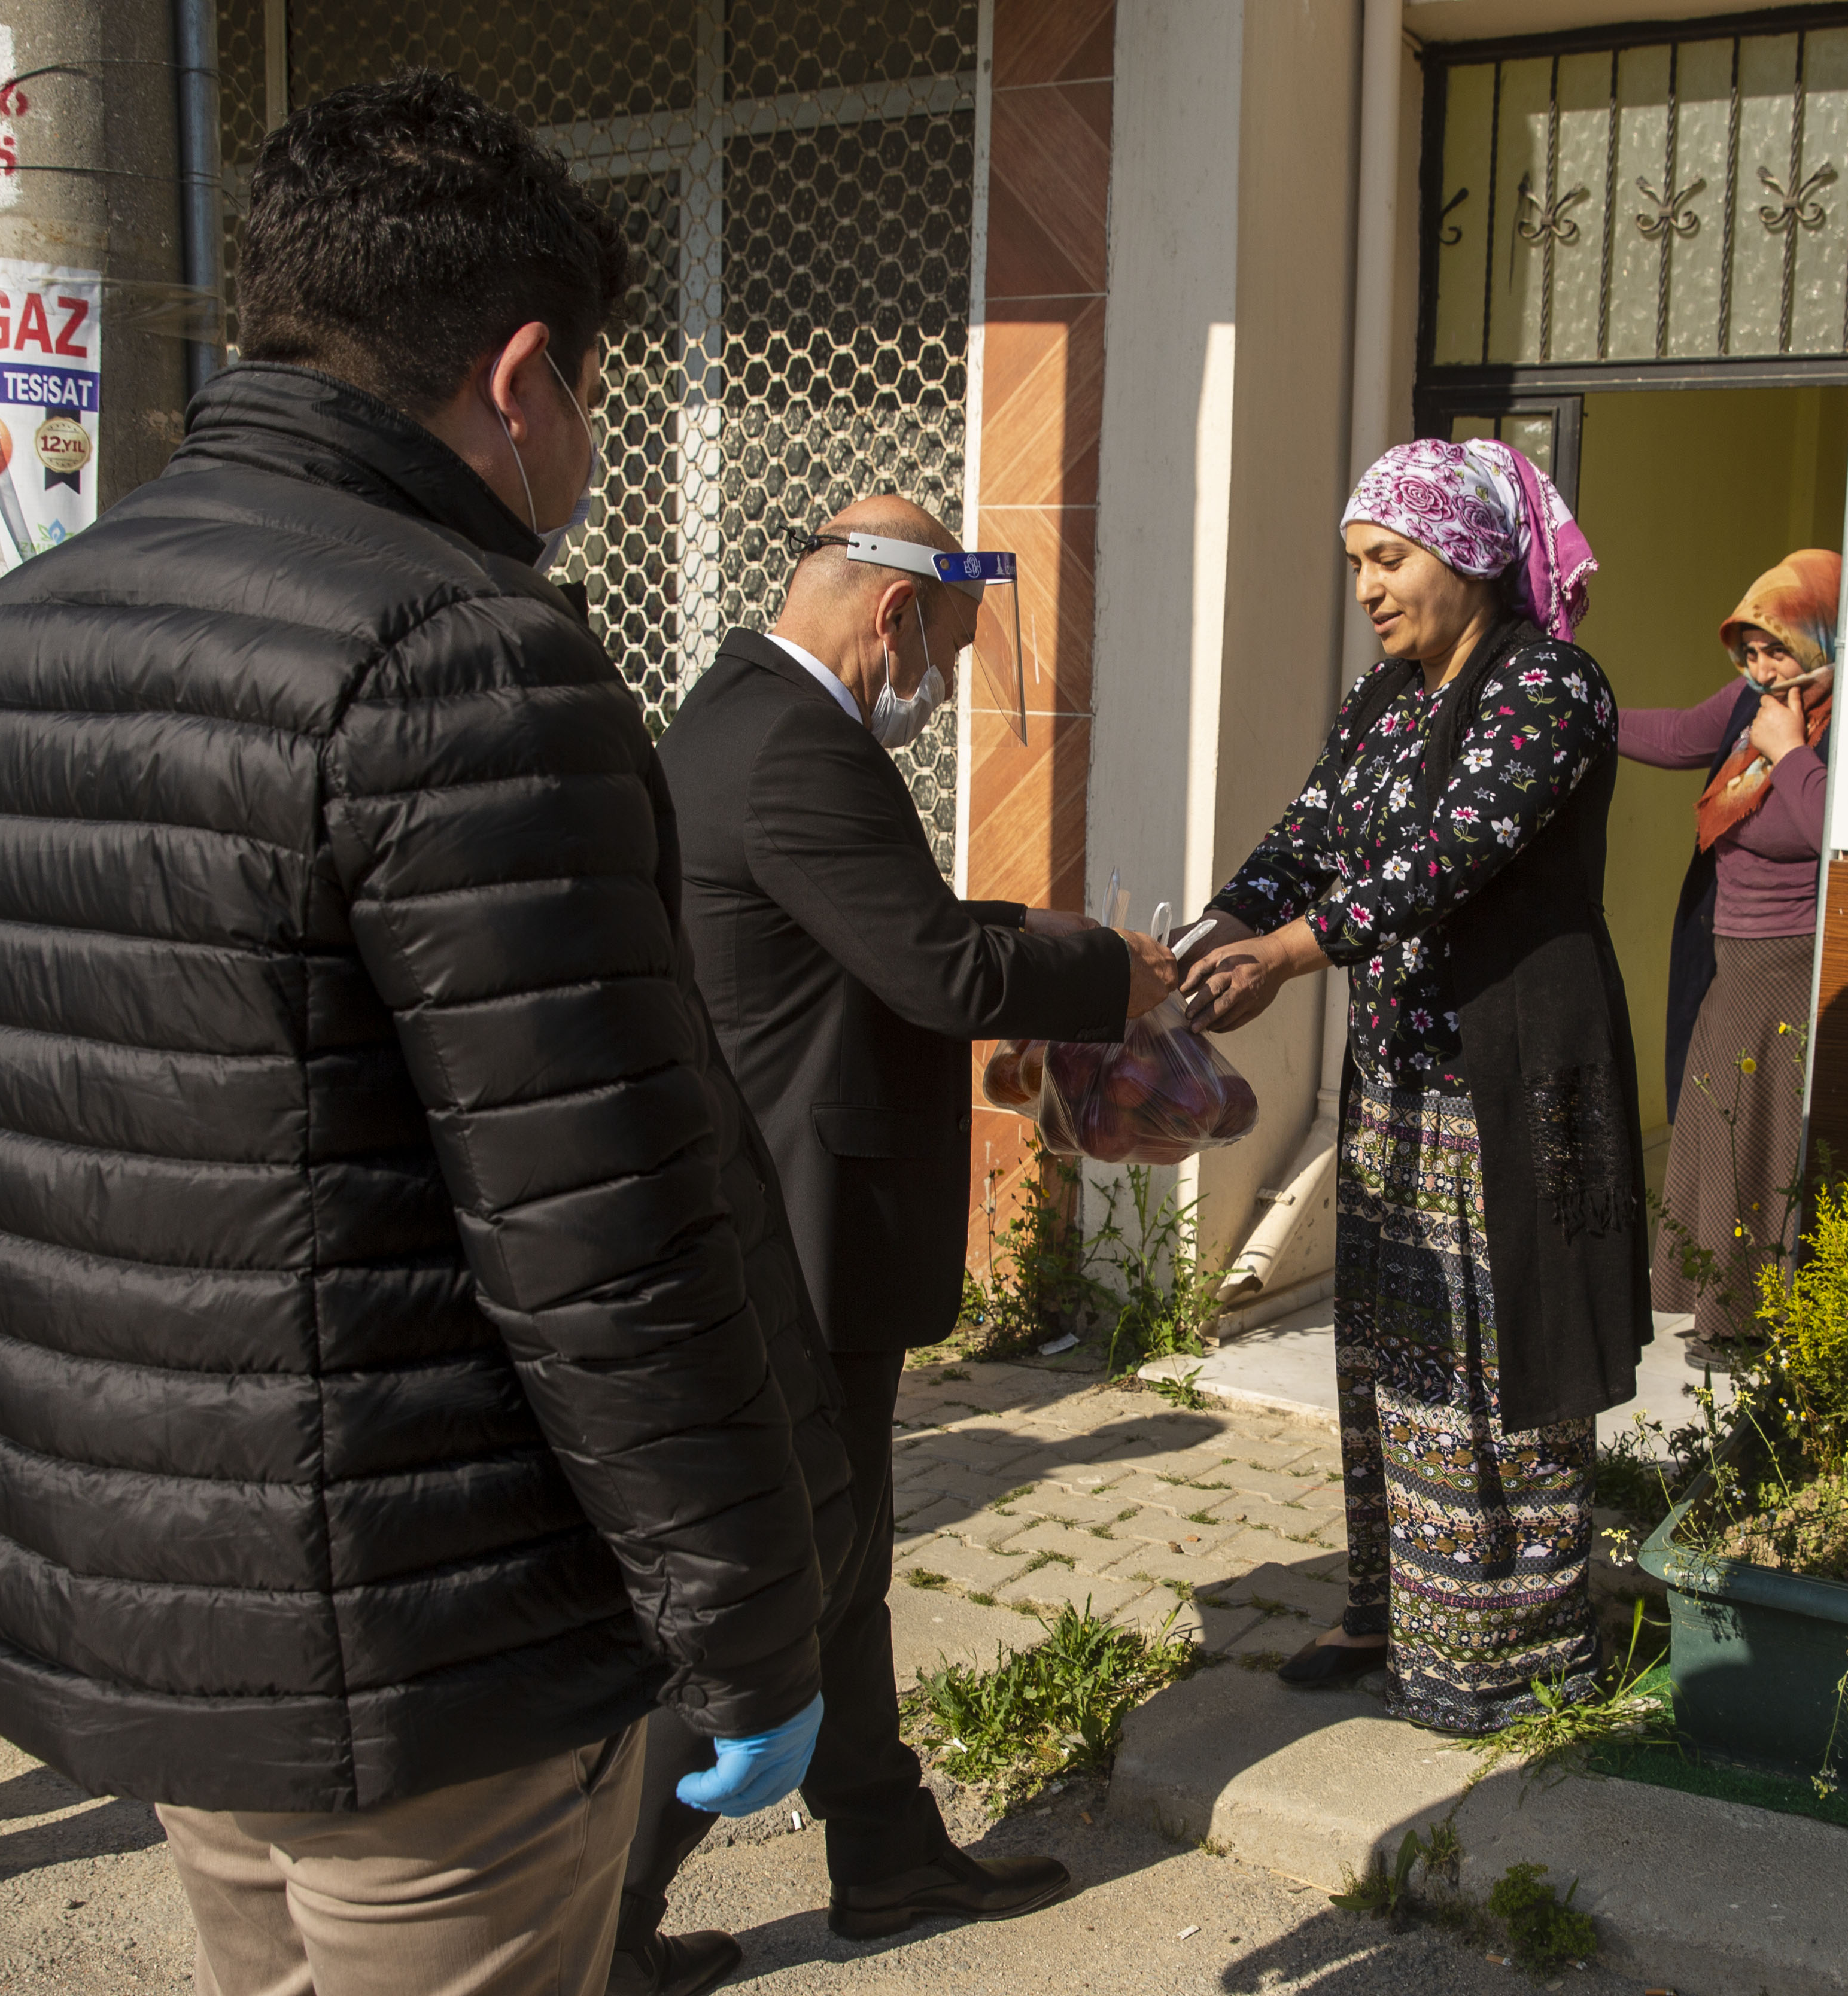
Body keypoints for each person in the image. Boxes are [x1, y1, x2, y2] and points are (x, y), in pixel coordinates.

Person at [0, 75, 852, 1996]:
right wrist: (753, 1626)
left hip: (156, 1619)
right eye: (589, 388)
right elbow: (608, 1240)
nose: (586, 437)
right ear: (519, 377)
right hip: (425, 1651)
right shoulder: (458, 657)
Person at [637, 496, 1176, 1986]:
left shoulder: (733, 714)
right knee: (787, 1572)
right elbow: (935, 967)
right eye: (945, 642)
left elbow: (877, 929)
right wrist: (1108, 975)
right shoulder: (799, 748)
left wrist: (1044, 941)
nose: (937, 681)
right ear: (892, 616)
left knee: (842, 1555)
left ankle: (881, 1851)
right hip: (800, 1225)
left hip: (796, 1209)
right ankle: (603, 1917)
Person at [1174, 438, 1647, 1734]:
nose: (1371, 590)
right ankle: (1385, 1608)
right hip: (1398, 1075)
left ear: (1472, 553)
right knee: (1389, 1349)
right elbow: (1313, 836)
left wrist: (1286, 953)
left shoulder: (1552, 689)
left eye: (1390, 561)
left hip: (1509, 1081)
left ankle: (1505, 1653)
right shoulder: (1385, 698)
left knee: (1499, 1361)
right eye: (1358, 567)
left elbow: (1446, 857)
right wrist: (1218, 927)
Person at [1618, 551, 1839, 1365]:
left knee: (1761, 1140)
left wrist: (1787, 753)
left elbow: (1834, 837)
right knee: (1713, 1129)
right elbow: (1680, 737)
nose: (1759, 669)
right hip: (1727, 953)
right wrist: (1575, 716)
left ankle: (1743, 1325)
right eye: (1747, 652)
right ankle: (1717, 1302)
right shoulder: (1753, 702)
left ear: (1822, 641)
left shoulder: (1843, 722)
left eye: (1775, 649)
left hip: (1791, 960)